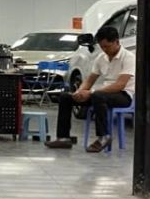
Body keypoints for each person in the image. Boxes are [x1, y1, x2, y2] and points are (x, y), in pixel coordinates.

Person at [46, 24, 134, 153]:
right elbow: (90, 80)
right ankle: (63, 138)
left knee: (97, 96)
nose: (105, 50)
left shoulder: (128, 58)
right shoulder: (101, 58)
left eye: (107, 46)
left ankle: (104, 136)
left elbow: (120, 85)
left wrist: (91, 92)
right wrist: (80, 91)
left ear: (116, 42)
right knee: (66, 97)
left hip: (123, 95)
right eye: (102, 47)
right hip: (102, 94)